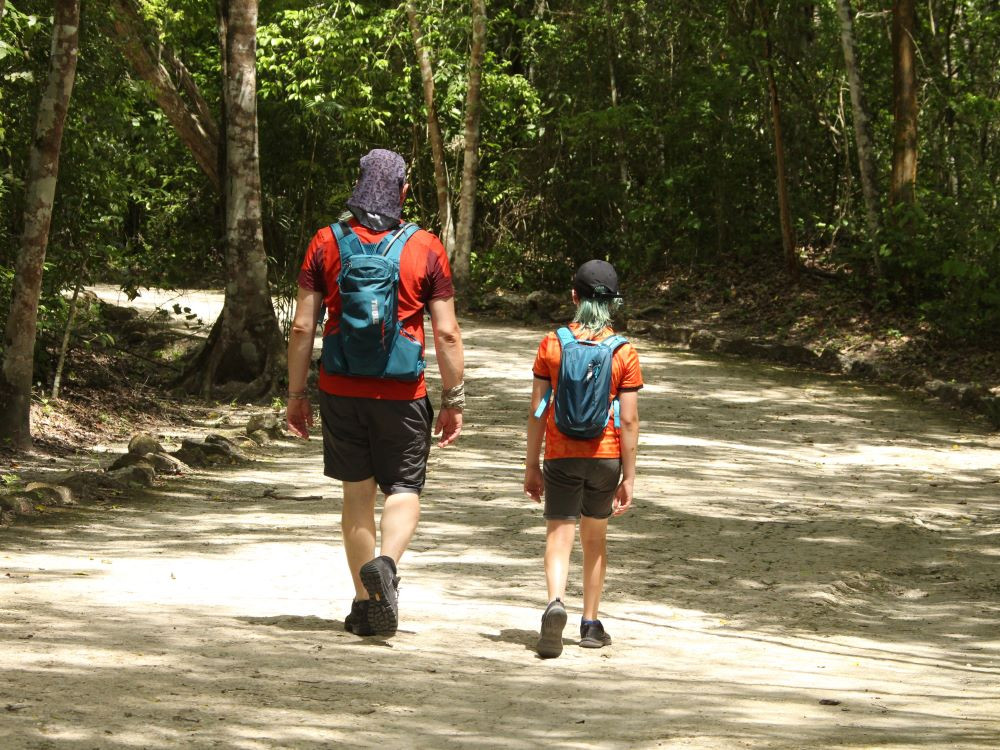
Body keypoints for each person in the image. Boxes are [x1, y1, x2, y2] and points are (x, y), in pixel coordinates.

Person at [286, 148, 465, 637]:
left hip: (341, 388)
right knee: (404, 489)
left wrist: (297, 394)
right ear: (402, 191)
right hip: (404, 392)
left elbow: (303, 327)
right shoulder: (425, 246)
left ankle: (366, 607)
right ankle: (386, 564)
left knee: (356, 496)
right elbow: (447, 333)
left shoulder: (326, 241)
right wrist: (454, 399)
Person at [524, 260, 642, 658]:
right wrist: (629, 476)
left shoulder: (552, 344)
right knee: (595, 540)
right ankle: (590, 624)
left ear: (573, 296)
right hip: (606, 456)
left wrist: (531, 466)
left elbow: (538, 409)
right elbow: (628, 418)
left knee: (560, 536)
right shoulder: (623, 351)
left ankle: (556, 602)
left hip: (560, 455)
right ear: (613, 304)